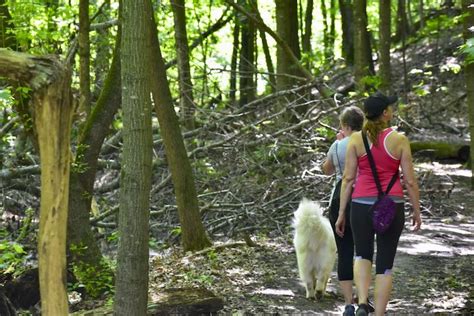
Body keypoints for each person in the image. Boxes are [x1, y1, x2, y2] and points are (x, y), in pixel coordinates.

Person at [335, 92, 422, 316]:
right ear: (385, 113)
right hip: (391, 205)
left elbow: (348, 179)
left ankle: (362, 302)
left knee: (361, 254)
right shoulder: (400, 140)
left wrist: (341, 212)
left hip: (361, 205)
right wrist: (416, 210)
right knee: (385, 263)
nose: (392, 110)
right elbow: (410, 181)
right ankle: (380, 313)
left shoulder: (355, 139)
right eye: (390, 108)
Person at [322, 106, 366, 316]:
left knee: (345, 251)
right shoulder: (369, 143)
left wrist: (337, 142)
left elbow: (327, 169)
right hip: (365, 200)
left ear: (346, 126)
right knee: (363, 251)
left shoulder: (338, 145)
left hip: (340, 199)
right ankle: (363, 301)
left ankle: (348, 303)